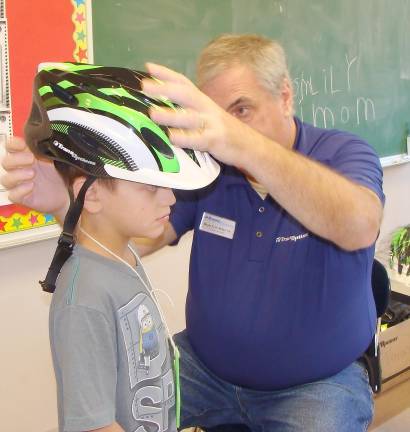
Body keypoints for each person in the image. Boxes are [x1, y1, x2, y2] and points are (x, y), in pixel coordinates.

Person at [1, 34, 384, 431]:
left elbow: (358, 226)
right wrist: (69, 203)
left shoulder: (343, 155)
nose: (225, 133)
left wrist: (241, 146)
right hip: (205, 372)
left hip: (316, 386)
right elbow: (141, 233)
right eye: (217, 116)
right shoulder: (210, 171)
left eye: (242, 110)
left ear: (285, 96)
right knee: (114, 399)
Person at [21, 62, 219, 432]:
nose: (171, 199)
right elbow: (94, 425)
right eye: (151, 187)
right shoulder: (84, 299)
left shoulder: (120, 256)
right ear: (90, 194)